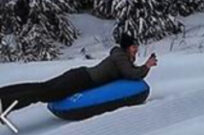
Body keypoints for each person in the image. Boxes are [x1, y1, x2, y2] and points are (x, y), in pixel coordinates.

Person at [0, 34, 157, 114]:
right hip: (80, 80)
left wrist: (145, 66)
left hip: (79, 75)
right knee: (42, 93)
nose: (136, 49)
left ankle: (3, 94)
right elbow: (131, 74)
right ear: (127, 48)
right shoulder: (120, 57)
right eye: (134, 47)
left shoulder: (120, 56)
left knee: (41, 87)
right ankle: (5, 104)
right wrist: (147, 66)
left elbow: (131, 72)